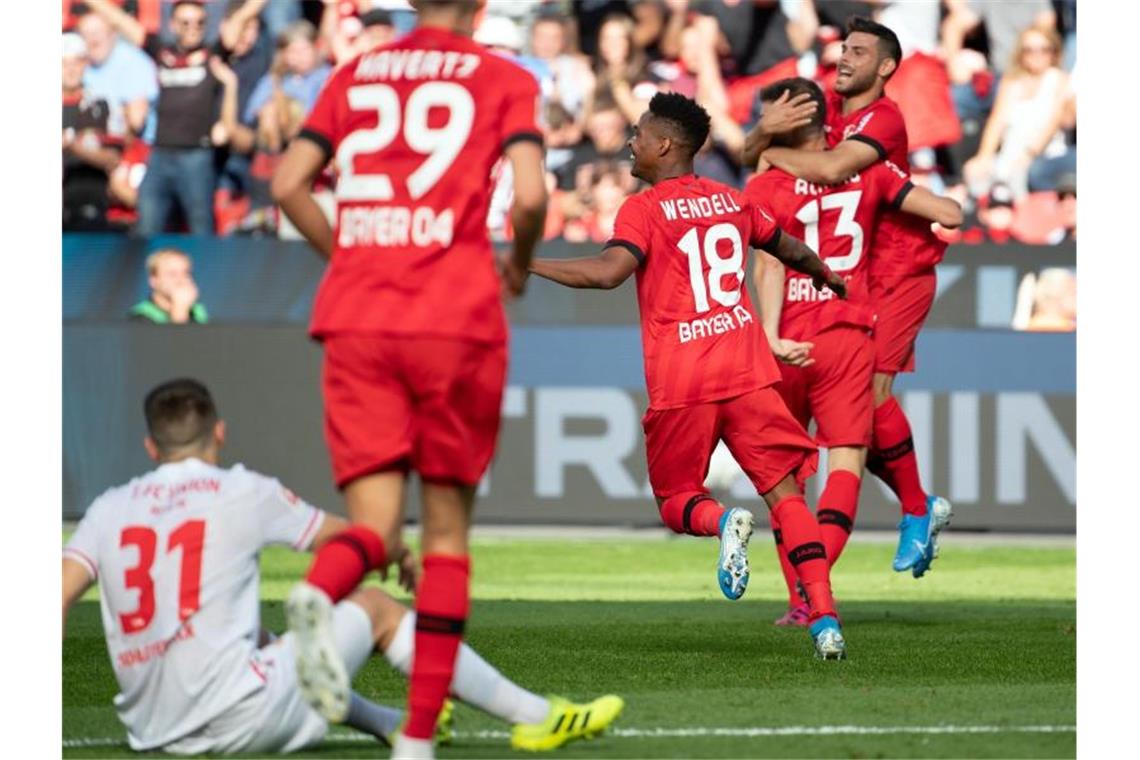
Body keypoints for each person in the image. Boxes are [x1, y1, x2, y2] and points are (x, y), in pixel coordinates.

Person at [269, 3, 618, 758]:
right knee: (448, 539)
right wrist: (520, 263)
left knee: (375, 530)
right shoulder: (502, 75)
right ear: (483, 9)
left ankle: (316, 593)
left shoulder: (354, 70)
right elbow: (529, 196)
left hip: (358, 315)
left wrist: (351, 259)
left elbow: (290, 182)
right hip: (452, 317)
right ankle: (417, 741)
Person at [61, 379, 616, 755]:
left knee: (256, 634)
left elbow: (57, 596)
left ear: (150, 446)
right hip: (240, 723)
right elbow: (352, 538)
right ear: (220, 433)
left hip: (153, 732)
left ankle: (386, 721)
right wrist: (399, 553)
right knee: (372, 607)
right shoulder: (242, 490)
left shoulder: (109, 508)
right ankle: (536, 715)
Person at [529, 91, 849, 660]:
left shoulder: (643, 209)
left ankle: (725, 522)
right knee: (788, 496)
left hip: (684, 378)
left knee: (677, 501)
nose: (632, 141)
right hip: (747, 370)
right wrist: (823, 272)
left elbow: (608, 273)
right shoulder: (730, 199)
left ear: (665, 145)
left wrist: (527, 261)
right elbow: (785, 245)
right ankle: (825, 620)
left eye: (639, 133)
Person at [744, 78, 964, 624]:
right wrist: (927, 209)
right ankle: (823, 586)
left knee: (784, 479)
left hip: (784, 340)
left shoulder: (765, 187)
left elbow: (768, 263)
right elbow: (950, 212)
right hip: (847, 331)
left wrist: (768, 336)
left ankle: (802, 598)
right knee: (846, 460)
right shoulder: (870, 171)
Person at [85, 0, 266, 235]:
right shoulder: (162, 52)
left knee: (201, 228)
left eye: (200, 22)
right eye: (186, 22)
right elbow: (121, 21)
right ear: (172, 24)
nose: (193, 27)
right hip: (160, 154)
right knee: (147, 227)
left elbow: (242, 17)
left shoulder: (213, 54)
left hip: (197, 156)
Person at [962, 26, 1071, 200]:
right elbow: (996, 122)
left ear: (1054, 52)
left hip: (1043, 154)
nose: (1037, 55)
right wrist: (984, 155)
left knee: (1022, 177)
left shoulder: (1059, 79)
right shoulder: (1011, 82)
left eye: (1044, 49)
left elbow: (1053, 122)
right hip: (1010, 153)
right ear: (1021, 54)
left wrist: (1028, 155)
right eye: (1029, 50)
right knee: (973, 173)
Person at [63, 32, 121, 231]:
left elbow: (112, 159)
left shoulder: (101, 106)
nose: (70, 70)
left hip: (88, 201)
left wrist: (72, 146)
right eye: (63, 63)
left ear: (86, 64)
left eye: (76, 63)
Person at [128, 248, 209, 325]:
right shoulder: (139, 317)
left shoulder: (197, 312)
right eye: (172, 274)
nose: (181, 280)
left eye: (186, 273)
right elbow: (175, 339)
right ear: (153, 280)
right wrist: (180, 309)